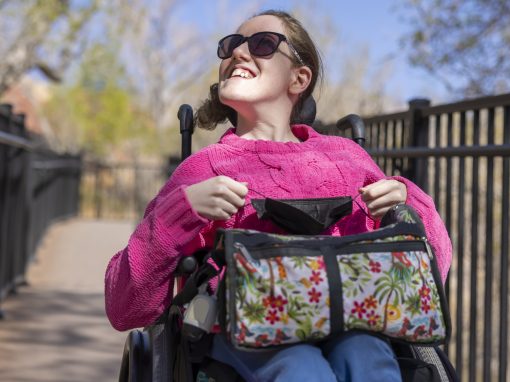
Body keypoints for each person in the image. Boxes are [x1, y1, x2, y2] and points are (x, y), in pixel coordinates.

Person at [105, 9, 452, 382]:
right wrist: (180, 212)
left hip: (355, 319)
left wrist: (408, 201)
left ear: (299, 78)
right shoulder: (204, 169)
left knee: (369, 358)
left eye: (262, 44)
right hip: (250, 328)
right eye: (230, 46)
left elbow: (435, 272)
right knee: (300, 367)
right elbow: (125, 307)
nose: (238, 53)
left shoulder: (347, 157)